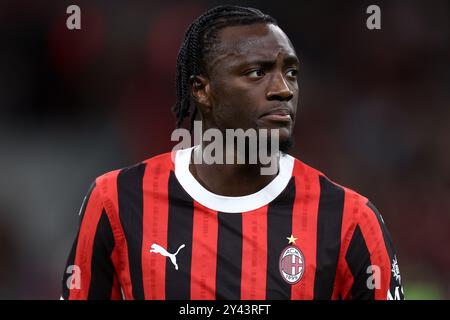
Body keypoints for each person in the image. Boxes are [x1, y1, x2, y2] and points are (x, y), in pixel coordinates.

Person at [61, 5, 404, 300]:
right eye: (257, 73)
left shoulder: (350, 219)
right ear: (202, 90)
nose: (284, 90)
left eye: (292, 73)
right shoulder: (117, 200)